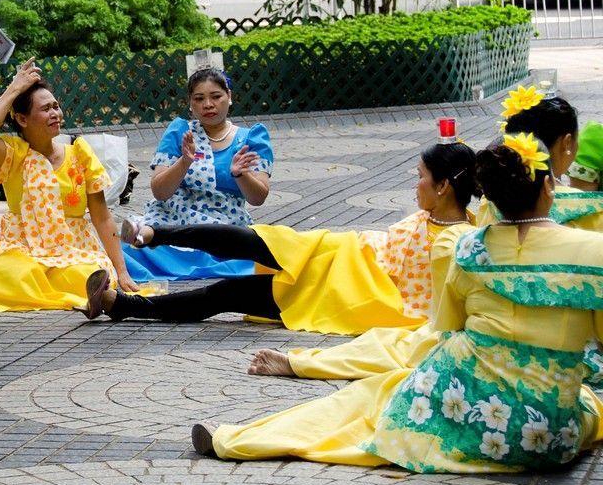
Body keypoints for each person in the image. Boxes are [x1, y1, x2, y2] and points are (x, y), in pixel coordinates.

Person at [197, 135, 603, 473]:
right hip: (552, 434)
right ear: (549, 186)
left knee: (374, 394)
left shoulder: (467, 248)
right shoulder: (594, 251)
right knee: (588, 402)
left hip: (476, 417)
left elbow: (446, 327)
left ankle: (237, 439)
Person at [254, 92, 603, 380]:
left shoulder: (467, 240)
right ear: (551, 179)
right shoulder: (593, 234)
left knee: (406, 350)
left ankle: (297, 368)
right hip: (555, 403)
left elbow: (446, 322)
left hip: (480, 369)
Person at [83, 130, 477, 336]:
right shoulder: (443, 220)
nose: (415, 185)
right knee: (253, 239)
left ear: (443, 187)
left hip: (345, 292)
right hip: (339, 253)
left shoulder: (460, 242)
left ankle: (119, 305)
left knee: (224, 295)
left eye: (422, 177)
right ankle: (153, 232)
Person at [0, 60, 138, 311]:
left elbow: (102, 218)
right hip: (22, 247)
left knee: (84, 273)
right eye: (46, 109)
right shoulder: (11, 155)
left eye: (56, 106)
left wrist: (122, 272)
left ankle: (96, 290)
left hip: (72, 249)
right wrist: (14, 88)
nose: (55, 113)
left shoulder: (80, 154)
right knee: (16, 273)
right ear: (22, 118)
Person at [123, 68, 273, 282]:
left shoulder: (251, 138)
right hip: (174, 217)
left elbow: (258, 198)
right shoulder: (180, 132)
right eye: (199, 98)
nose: (208, 104)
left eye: (216, 96)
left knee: (239, 253)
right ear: (190, 103)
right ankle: (144, 235)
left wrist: (241, 175)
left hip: (224, 223)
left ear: (229, 97)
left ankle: (147, 236)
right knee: (132, 252)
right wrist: (184, 162)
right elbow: (160, 192)